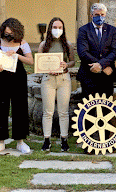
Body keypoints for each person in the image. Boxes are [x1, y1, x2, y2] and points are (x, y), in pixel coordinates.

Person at [0, 17, 34, 155]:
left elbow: (30, 61)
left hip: (18, 77)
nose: (8, 35)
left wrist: (16, 55)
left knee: (20, 106)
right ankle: (0, 142)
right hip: (1, 77)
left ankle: (20, 141)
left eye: (11, 33)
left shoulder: (22, 43)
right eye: (6, 33)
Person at [38, 17, 75, 152]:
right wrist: (45, 67)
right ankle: (46, 140)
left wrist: (66, 64)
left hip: (63, 79)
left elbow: (72, 61)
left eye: (60, 28)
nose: (57, 30)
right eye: (55, 27)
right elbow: (39, 62)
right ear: (50, 29)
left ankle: (63, 139)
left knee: (63, 111)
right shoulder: (44, 45)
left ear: (63, 29)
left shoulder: (67, 44)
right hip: (48, 79)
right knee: (48, 111)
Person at [76, 3, 116, 99]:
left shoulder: (111, 30)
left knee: (106, 109)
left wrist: (100, 65)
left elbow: (115, 51)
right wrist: (100, 65)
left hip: (107, 76)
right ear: (91, 15)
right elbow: (83, 52)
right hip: (89, 75)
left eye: (102, 15)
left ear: (105, 15)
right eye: (96, 15)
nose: (100, 17)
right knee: (88, 109)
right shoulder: (83, 30)